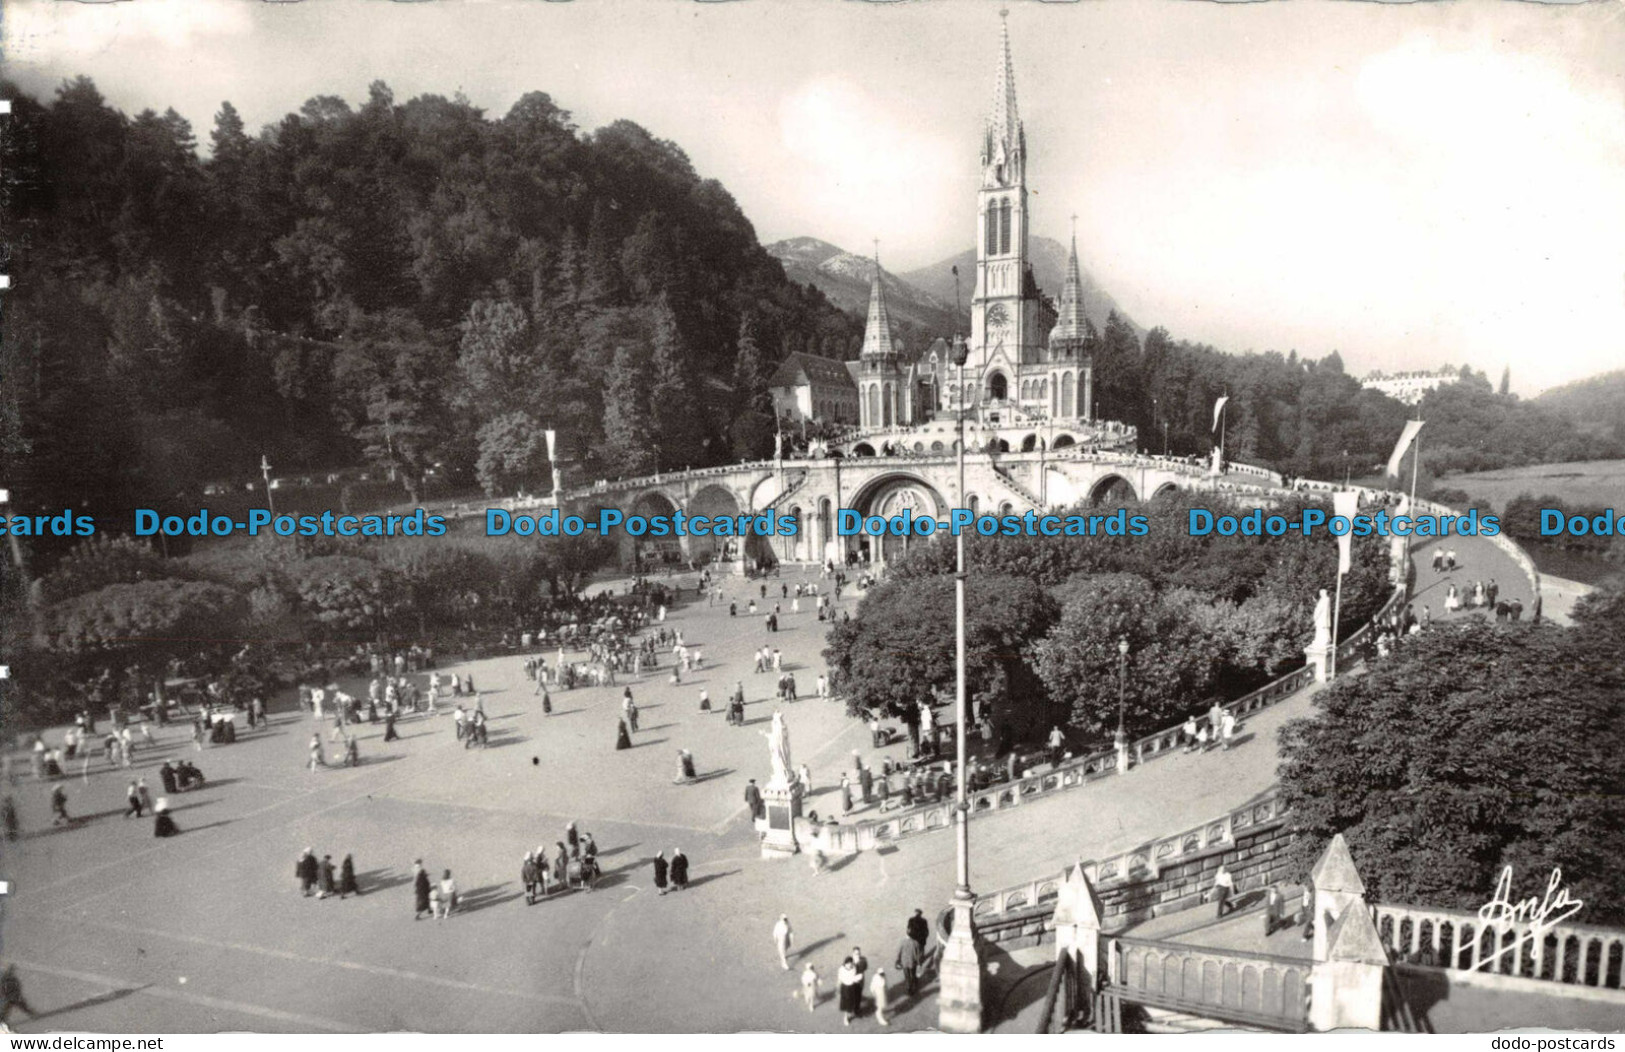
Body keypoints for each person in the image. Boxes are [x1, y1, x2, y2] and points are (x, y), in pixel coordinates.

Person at [837, 957, 862, 1026]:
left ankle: (851, 1012)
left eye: (850, 963)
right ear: (845, 963)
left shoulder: (854, 968)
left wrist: (856, 979)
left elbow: (854, 977)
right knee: (846, 1003)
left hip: (852, 987)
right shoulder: (841, 969)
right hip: (845, 988)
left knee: (851, 1001)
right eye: (848, 963)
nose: (849, 965)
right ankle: (845, 1017)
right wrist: (838, 988)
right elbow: (840, 979)